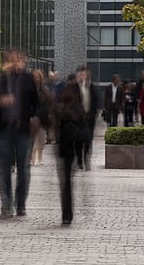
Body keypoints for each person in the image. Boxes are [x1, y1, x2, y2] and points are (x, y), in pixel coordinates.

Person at [0, 49, 39, 218]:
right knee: (3, 169)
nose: (15, 62)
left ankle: (21, 205)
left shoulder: (28, 79)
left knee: (23, 170)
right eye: (11, 59)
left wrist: (34, 117)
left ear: (22, 61)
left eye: (18, 59)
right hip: (4, 130)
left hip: (23, 130)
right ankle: (6, 206)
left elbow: (37, 102)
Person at [55, 81, 88, 226]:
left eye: (68, 90)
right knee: (65, 182)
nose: (65, 92)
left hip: (71, 149)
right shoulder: (62, 106)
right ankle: (66, 214)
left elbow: (82, 127)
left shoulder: (76, 108)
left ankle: (67, 215)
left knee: (67, 182)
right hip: (63, 148)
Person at [76, 66, 98, 169]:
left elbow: (96, 102)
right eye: (84, 74)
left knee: (88, 140)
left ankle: (86, 158)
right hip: (79, 118)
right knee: (79, 140)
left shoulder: (92, 87)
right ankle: (79, 160)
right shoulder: (76, 88)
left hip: (90, 118)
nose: (86, 76)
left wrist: (93, 114)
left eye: (87, 74)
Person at [30, 69, 54, 166]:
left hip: (43, 116)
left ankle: (40, 156)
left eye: (38, 77)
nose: (37, 79)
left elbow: (50, 103)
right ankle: (33, 158)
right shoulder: (29, 90)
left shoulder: (45, 90)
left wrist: (49, 114)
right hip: (33, 117)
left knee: (42, 138)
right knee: (33, 138)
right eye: (35, 77)